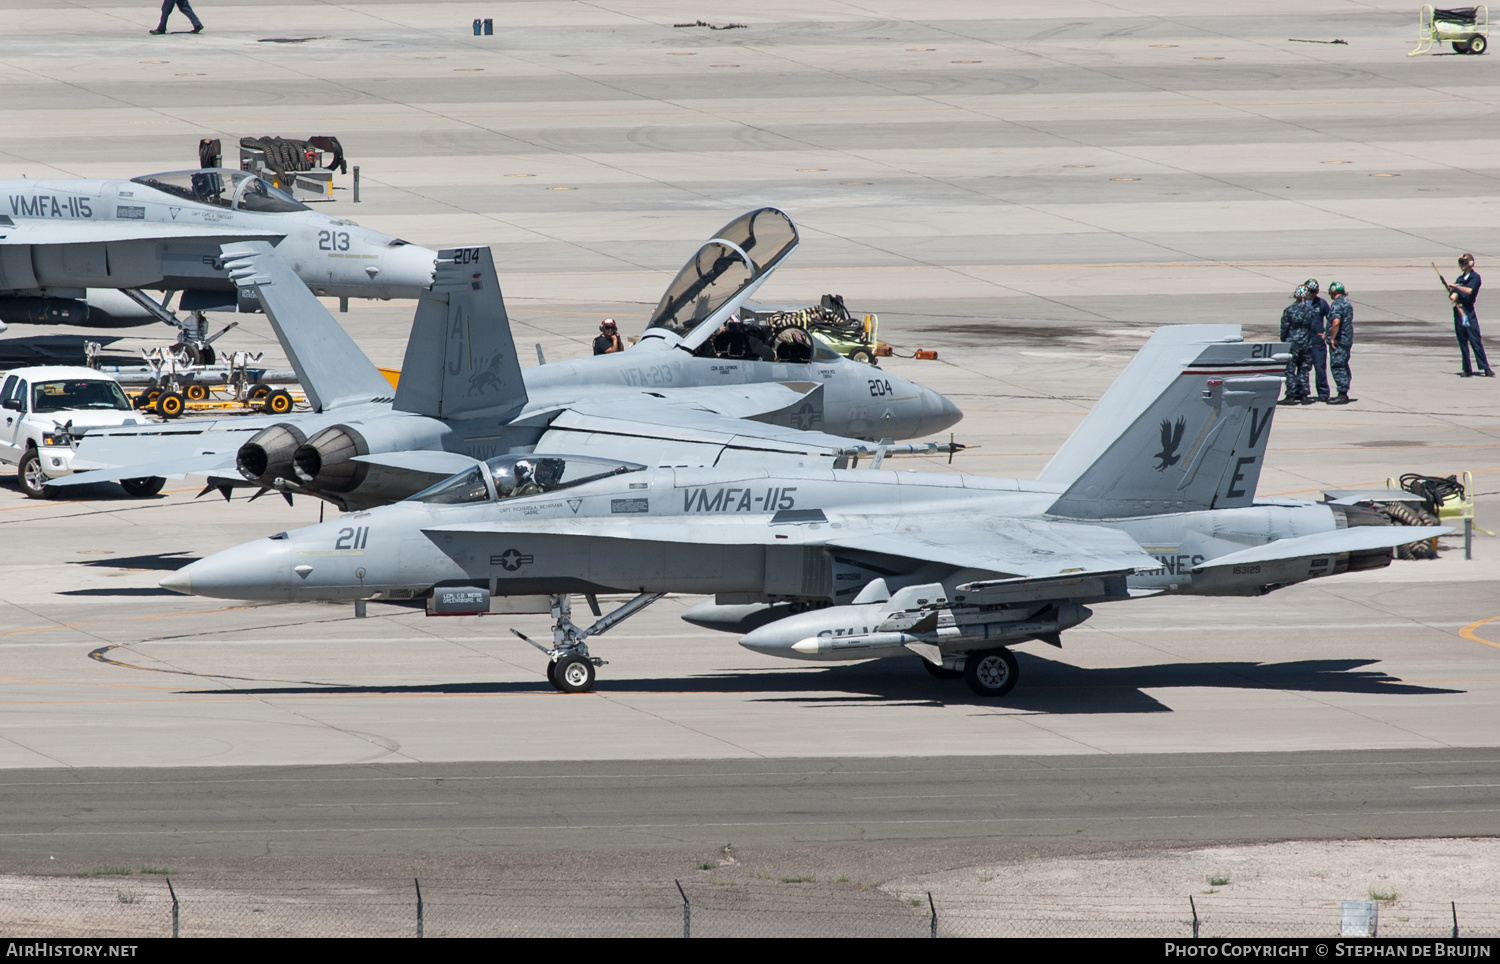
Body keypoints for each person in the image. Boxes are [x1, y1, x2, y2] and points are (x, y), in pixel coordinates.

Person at [1447, 254, 1492, 377]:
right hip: (1459, 312)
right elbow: (1455, 294)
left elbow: (1469, 290)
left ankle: (1485, 367)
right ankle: (1467, 369)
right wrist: (1453, 294)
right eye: (1461, 263)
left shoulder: (1475, 277)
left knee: (1475, 340)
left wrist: (1456, 287)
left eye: (1464, 262)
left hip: (1468, 311)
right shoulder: (1460, 279)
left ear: (1470, 263)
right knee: (1462, 341)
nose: (1462, 265)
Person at [1279, 286, 1315, 405]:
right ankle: (1304, 395)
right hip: (1306, 343)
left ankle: (1291, 394)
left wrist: (1284, 341)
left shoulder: (1289, 310)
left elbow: (1284, 329)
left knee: (1290, 369)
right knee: (1304, 369)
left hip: (1292, 343)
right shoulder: (1310, 310)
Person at [1303, 278, 1332, 402]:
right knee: (1303, 368)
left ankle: (1323, 392)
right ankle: (1302, 392)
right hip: (1303, 340)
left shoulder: (1321, 303)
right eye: (1310, 291)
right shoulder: (1300, 303)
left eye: (1315, 291)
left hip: (1317, 340)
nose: (1313, 294)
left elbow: (1331, 318)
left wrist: (1327, 333)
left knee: (1320, 368)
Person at [1327, 282, 1354, 404]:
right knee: (1344, 364)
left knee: (1337, 365)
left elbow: (1336, 322)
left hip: (1340, 340)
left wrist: (1332, 337)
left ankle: (1342, 393)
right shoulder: (1347, 304)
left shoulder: (1337, 305)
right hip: (1347, 339)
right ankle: (1344, 390)